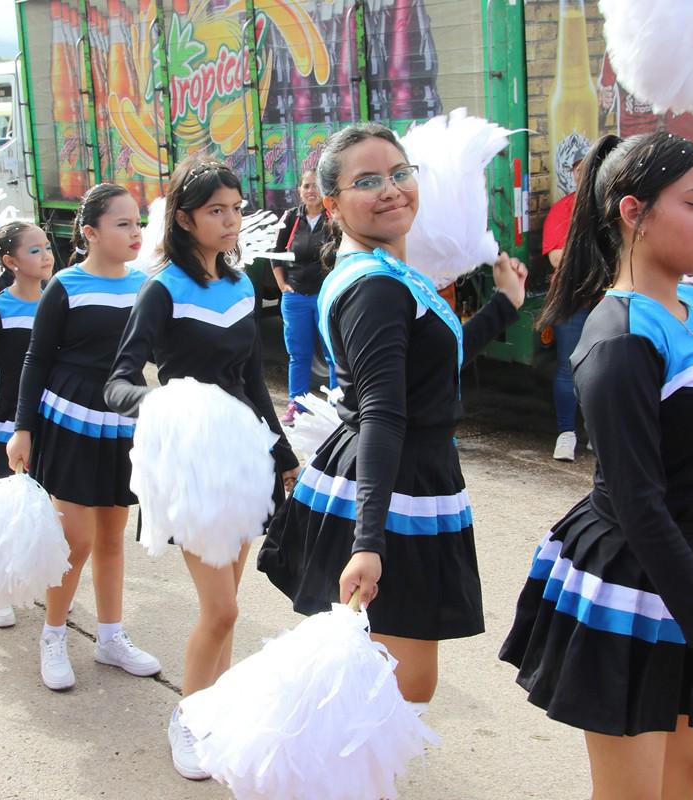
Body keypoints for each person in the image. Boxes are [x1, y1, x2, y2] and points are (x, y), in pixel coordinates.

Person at [499, 109, 693, 800]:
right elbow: (639, 504)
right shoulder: (621, 336)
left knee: (690, 769)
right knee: (634, 790)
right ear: (634, 212)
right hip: (636, 568)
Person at [258, 122, 526, 706]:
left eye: (401, 173)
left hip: (406, 477)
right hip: (391, 485)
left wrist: (504, 307)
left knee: (386, 685)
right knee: (392, 689)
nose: (392, 189)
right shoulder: (376, 285)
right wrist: (369, 540)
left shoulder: (392, 272)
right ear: (332, 203)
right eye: (368, 181)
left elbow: (430, 368)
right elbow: (383, 411)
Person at [103, 160, 299, 780]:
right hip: (190, 461)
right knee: (223, 610)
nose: (231, 221)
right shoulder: (161, 288)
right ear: (184, 218)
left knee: (229, 605)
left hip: (243, 457)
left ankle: (213, 712)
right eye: (217, 210)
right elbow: (118, 382)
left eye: (237, 209)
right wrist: (167, 403)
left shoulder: (243, 286)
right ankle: (186, 720)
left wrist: (283, 454)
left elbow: (251, 381)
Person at [5, 185, 159, 680]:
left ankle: (111, 638)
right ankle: (53, 636)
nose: (135, 233)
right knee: (74, 540)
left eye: (138, 223)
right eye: (122, 224)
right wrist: (22, 428)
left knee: (113, 535)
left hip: (121, 423)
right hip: (69, 419)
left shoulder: (145, 285)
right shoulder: (65, 285)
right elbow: (36, 358)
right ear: (89, 232)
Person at [0, 221, 52, 484]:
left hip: (50, 419)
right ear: (10, 260)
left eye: (47, 247)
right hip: (9, 421)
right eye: (35, 250)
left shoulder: (57, 304)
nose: (46, 255)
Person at [271, 169, 336, 426]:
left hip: (324, 296)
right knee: (299, 355)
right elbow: (276, 254)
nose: (311, 191)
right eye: (306, 186)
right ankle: (296, 404)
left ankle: (335, 405)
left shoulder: (333, 218)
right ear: (299, 190)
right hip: (295, 296)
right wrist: (282, 285)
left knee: (333, 353)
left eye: (316, 186)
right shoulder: (291, 218)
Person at [542, 148, 590, 461]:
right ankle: (566, 433)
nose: (580, 174)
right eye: (576, 169)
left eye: (587, 168)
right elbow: (556, 257)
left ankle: (598, 432)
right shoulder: (563, 209)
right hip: (572, 299)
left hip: (610, 300)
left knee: (607, 368)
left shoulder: (614, 208)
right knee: (568, 366)